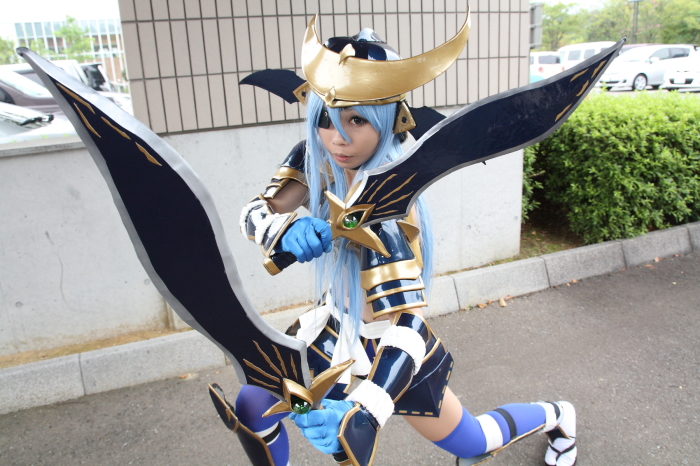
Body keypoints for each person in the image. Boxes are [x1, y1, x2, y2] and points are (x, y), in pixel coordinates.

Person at [236, 15, 577, 466]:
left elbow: (409, 324)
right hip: (333, 332)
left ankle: (558, 415)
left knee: (474, 441)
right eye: (325, 119)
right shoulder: (314, 160)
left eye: (357, 120)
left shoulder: (390, 208)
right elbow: (253, 212)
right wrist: (283, 229)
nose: (337, 138)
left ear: (390, 121)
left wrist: (365, 414)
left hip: (393, 353)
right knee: (253, 405)